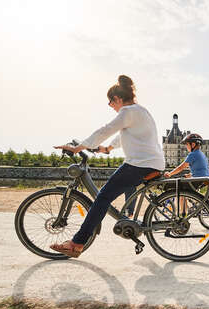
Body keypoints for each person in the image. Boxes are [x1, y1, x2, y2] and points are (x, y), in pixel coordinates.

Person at [50, 75, 165, 257]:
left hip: (140, 164)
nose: (110, 106)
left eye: (110, 102)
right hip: (150, 163)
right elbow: (124, 134)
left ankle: (77, 243)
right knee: (105, 196)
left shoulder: (127, 112)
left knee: (102, 198)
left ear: (118, 98)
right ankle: (86, 238)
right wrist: (108, 148)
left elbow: (105, 129)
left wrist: (78, 147)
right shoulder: (139, 111)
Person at [163, 133, 209, 214]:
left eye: (187, 144)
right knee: (184, 189)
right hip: (204, 179)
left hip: (197, 180)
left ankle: (183, 214)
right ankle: (187, 210)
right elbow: (200, 170)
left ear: (193, 144)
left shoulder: (193, 154)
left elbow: (181, 167)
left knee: (181, 193)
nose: (186, 146)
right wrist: (189, 175)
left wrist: (170, 174)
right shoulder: (201, 154)